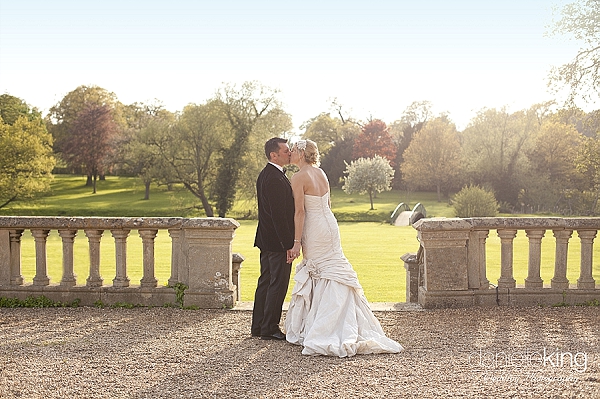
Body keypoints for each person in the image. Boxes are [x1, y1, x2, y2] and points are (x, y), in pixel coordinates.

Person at [284, 139, 403, 357]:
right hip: (329, 224)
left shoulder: (298, 177)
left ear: (301, 154)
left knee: (320, 270)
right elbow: (327, 205)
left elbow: (300, 212)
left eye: (293, 150)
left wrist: (296, 242)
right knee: (331, 268)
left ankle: (326, 325)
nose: (289, 153)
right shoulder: (321, 173)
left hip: (314, 227)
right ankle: (344, 319)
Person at [251, 137, 295, 340]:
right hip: (276, 242)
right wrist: (288, 244)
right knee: (277, 284)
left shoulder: (266, 175)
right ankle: (269, 327)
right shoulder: (275, 178)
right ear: (273, 155)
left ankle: (259, 326)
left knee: (266, 282)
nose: (289, 153)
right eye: (285, 151)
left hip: (266, 240)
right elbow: (278, 216)